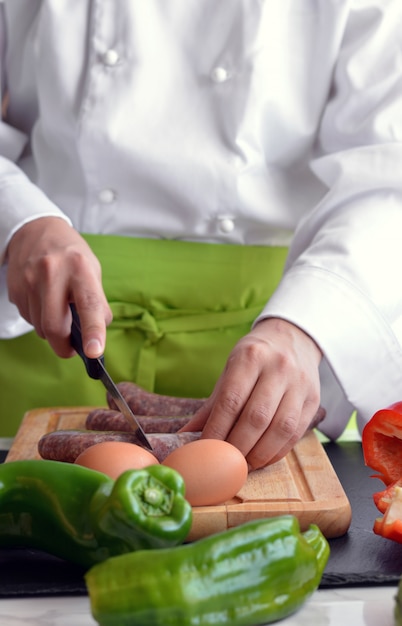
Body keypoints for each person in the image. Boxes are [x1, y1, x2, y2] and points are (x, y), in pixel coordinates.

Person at [1, 1, 402, 469]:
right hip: (45, 316)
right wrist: (19, 220)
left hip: (265, 340)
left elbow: (387, 172)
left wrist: (306, 326)